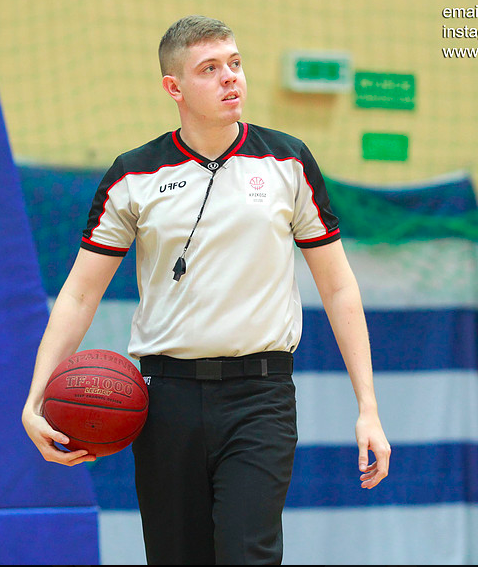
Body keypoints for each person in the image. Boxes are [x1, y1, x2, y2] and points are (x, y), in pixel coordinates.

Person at [21, 14, 391, 565]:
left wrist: (368, 408)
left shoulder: (288, 161)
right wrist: (35, 399)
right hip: (164, 398)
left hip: (260, 397)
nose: (230, 77)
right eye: (210, 68)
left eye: (235, 64)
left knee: (247, 554)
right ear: (174, 88)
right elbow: (78, 295)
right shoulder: (133, 176)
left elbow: (338, 287)